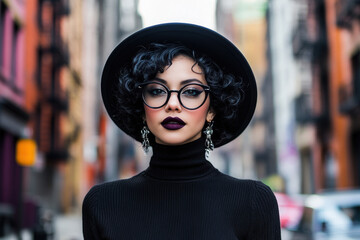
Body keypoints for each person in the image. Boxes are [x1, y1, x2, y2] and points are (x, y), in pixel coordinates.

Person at [82, 22, 281, 240]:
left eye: (192, 92)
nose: (173, 104)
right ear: (141, 108)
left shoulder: (253, 203)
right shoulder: (102, 204)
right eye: (157, 90)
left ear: (212, 110)